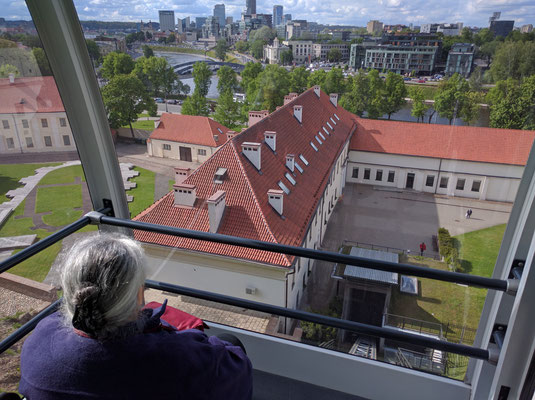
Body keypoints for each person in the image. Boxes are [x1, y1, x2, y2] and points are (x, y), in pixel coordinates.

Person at [19, 234, 253, 399]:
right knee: (231, 343)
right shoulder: (180, 360)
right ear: (139, 294)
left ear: (71, 294)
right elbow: (238, 373)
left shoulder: (39, 343)